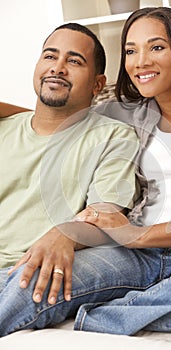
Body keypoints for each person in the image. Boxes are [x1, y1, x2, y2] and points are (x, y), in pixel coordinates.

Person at [1, 6, 171, 337]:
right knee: (40, 277)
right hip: (134, 257)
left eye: (156, 47)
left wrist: (140, 235)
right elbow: (58, 112)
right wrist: (25, 116)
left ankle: (100, 318)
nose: (141, 61)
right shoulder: (124, 114)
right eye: (130, 50)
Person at [0, 22, 140, 337]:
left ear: (97, 83)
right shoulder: (5, 128)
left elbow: (107, 213)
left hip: (21, 272)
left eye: (74, 61)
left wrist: (63, 234)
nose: (58, 68)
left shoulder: (113, 137)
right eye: (50, 56)